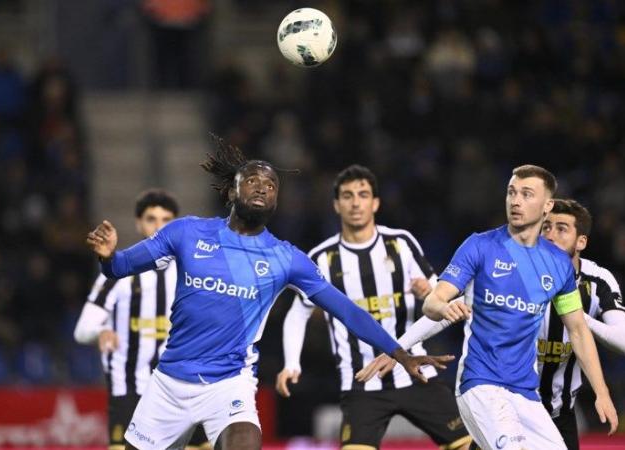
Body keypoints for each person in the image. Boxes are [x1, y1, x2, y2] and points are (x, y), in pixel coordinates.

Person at [85, 136, 453, 450]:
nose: (263, 186)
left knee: (245, 440)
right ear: (232, 191)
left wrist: (401, 353)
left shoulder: (286, 258)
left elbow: (347, 310)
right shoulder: (186, 233)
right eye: (253, 181)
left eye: (272, 185)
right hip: (168, 384)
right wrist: (107, 257)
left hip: (229, 384)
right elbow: (119, 268)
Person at [360, 165, 618, 449]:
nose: (515, 200)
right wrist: (442, 308)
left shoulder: (558, 264)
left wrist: (602, 392)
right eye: (511, 192)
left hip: (526, 393)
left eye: (526, 194)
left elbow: (578, 331)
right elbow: (434, 301)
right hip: (481, 384)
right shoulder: (480, 246)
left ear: (547, 206)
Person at [275, 165, 471, 450]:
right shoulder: (322, 257)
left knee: (469, 445)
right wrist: (291, 363)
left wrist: (428, 294)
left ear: (375, 203)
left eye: (363, 195)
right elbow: (298, 311)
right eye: (347, 195)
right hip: (361, 383)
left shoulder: (401, 243)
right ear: (336, 204)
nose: (356, 202)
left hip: (415, 373)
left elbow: (440, 297)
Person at [74, 189, 209, 450]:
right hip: (131, 390)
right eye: (151, 219)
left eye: (166, 220)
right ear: (138, 223)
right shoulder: (117, 273)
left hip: (181, 390)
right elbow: (82, 330)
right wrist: (100, 331)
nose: (159, 226)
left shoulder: (193, 274)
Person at [539, 199, 625, 450]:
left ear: (581, 242)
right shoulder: (518, 271)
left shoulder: (598, 281)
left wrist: (579, 317)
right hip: (508, 407)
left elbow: (624, 341)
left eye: (562, 228)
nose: (551, 235)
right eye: (546, 227)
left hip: (559, 413)